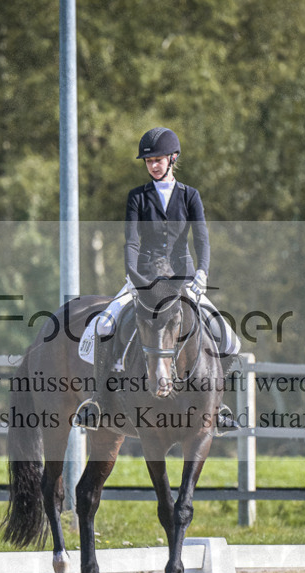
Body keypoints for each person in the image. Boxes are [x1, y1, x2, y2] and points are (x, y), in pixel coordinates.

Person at [74, 127, 240, 431]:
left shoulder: (190, 196)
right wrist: (133, 274)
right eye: (148, 160)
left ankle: (217, 406)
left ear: (173, 159)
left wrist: (202, 271)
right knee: (104, 325)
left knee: (230, 339)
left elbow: (202, 239)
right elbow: (132, 241)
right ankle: (97, 402)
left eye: (158, 159)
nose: (153, 165)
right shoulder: (137, 196)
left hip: (183, 281)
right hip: (144, 279)